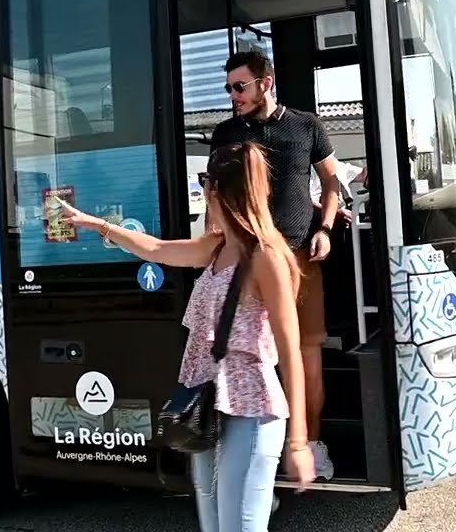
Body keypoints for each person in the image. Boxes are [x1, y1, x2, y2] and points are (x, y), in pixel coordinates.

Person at [55, 141, 316, 532]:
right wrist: (101, 227)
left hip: (252, 409)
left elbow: (290, 351)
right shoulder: (216, 248)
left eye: (205, 184)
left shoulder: (264, 257)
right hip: (208, 405)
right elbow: (157, 249)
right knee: (213, 526)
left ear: (218, 192)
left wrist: (298, 442)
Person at [209, 50, 341, 481]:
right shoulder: (226, 133)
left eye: (239, 86)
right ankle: (258, 453)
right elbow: (215, 197)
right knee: (251, 359)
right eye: (229, 87)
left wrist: (324, 228)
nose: (233, 95)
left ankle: (310, 444)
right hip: (247, 264)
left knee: (304, 358)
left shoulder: (306, 126)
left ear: (266, 83)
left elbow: (331, 184)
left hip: (300, 259)